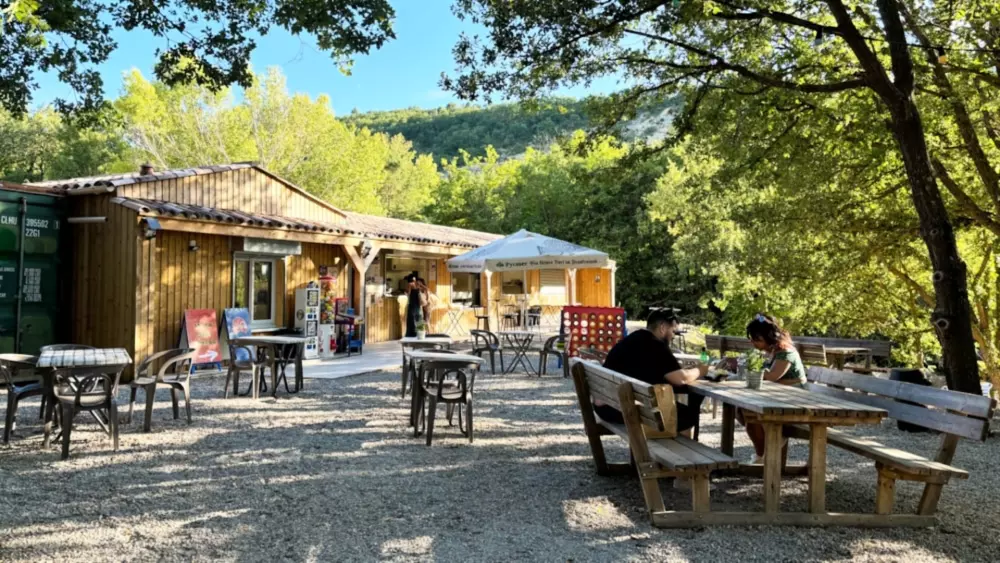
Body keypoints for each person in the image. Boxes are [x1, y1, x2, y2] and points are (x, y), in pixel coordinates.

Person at [595, 310, 709, 436]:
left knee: (677, 412)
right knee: (687, 416)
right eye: (673, 331)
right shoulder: (655, 344)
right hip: (622, 409)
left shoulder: (634, 339)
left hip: (605, 407)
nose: (673, 336)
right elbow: (680, 379)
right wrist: (701, 370)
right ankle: (679, 454)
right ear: (662, 328)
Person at [738, 313, 808, 463]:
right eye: (752, 338)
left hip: (795, 398)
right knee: (742, 410)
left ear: (769, 337)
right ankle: (764, 453)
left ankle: (766, 454)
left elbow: (772, 376)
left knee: (751, 412)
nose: (753, 343)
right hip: (779, 395)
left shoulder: (785, 351)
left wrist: (748, 369)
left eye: (757, 339)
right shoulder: (773, 351)